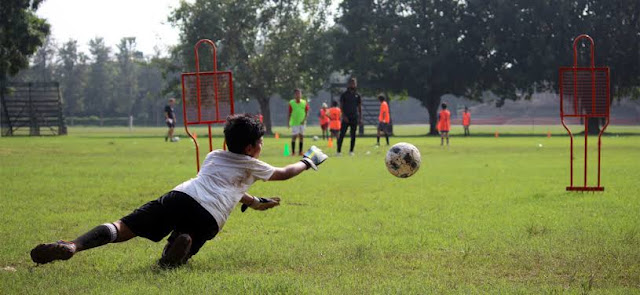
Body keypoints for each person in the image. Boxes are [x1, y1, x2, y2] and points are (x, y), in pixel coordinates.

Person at [30, 114, 328, 268]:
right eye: (260, 143)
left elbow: (225, 185)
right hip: (211, 215)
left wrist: (253, 202)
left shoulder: (214, 155)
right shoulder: (254, 166)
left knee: (124, 227)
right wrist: (308, 160)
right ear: (251, 148)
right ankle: (180, 244)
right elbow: (285, 173)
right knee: (190, 239)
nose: (261, 146)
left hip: (184, 195)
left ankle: (72, 246)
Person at [337, 78, 362, 156]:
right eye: (351, 83)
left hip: (354, 117)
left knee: (353, 135)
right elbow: (341, 106)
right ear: (348, 84)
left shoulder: (358, 95)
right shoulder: (344, 95)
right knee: (342, 135)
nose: (353, 85)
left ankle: (351, 151)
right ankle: (338, 151)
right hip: (346, 117)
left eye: (354, 83)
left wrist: (360, 117)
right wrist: (343, 116)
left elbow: (359, 107)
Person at [288, 89, 309, 156]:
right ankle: (293, 152)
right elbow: (289, 113)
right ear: (294, 95)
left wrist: (304, 120)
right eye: (297, 94)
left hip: (302, 122)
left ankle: (300, 152)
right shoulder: (291, 102)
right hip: (294, 122)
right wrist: (288, 122)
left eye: (299, 94)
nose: (298, 95)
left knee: (301, 136)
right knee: (294, 136)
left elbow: (306, 112)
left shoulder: (304, 102)